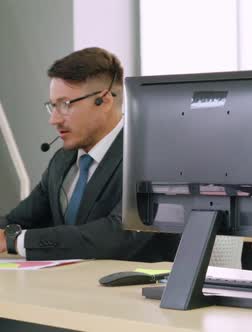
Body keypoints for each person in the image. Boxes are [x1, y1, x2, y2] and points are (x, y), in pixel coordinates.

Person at [0, 47, 178, 261]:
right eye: (53, 106)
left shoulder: (152, 157)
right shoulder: (62, 161)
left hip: (130, 291)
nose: (54, 119)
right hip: (71, 286)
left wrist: (17, 241)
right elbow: (17, 221)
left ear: (104, 101)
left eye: (65, 105)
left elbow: (116, 234)